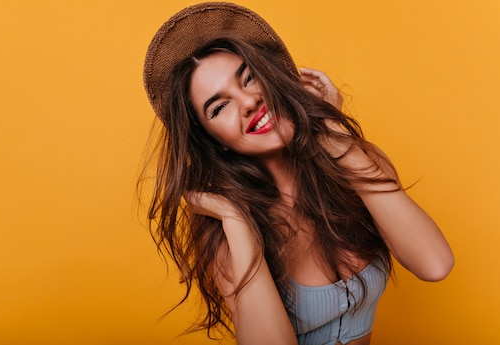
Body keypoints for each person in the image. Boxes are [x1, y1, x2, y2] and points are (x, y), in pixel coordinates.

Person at [140, 2, 454, 345]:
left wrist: (330, 133)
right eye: (220, 106)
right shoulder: (221, 231)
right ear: (215, 141)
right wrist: (235, 221)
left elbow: (434, 264)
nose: (248, 102)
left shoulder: (354, 161)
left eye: (250, 78)